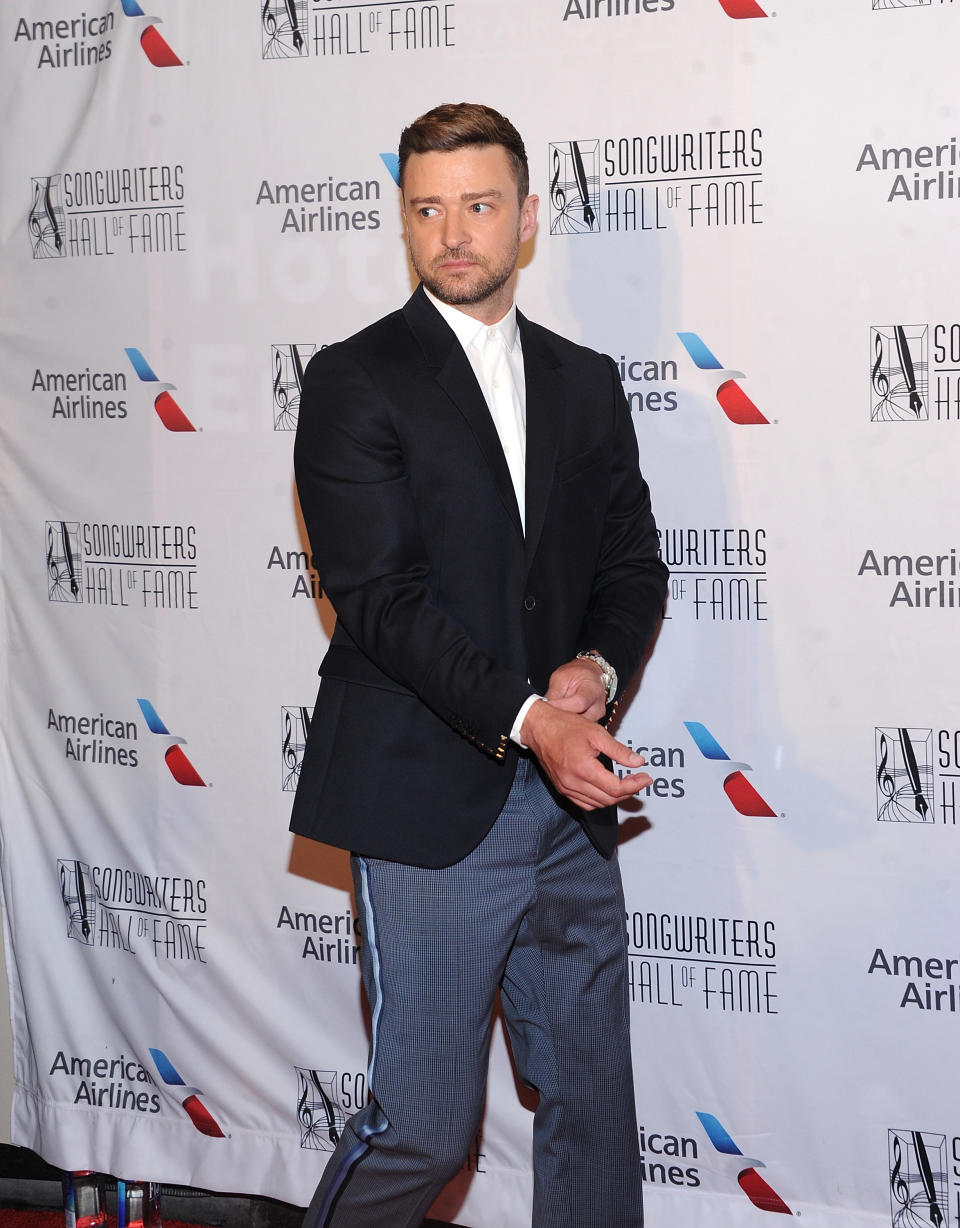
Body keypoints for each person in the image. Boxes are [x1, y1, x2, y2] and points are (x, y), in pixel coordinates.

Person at [291, 102, 668, 1228]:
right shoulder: (354, 379)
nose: (453, 233)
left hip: (567, 805)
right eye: (427, 209)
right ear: (405, 220)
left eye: (479, 205)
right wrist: (529, 716)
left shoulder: (586, 380)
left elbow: (631, 563)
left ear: (527, 220)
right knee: (422, 1123)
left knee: (595, 1104)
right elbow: (381, 604)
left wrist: (593, 671)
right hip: (424, 799)